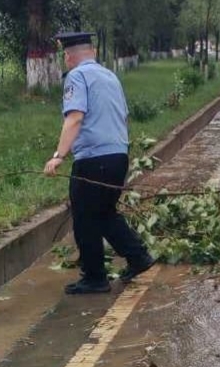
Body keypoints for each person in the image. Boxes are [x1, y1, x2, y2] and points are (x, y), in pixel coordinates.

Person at [44, 32, 154, 295]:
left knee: (84, 216)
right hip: (118, 156)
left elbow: (74, 118)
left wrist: (59, 156)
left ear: (69, 56)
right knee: (104, 213)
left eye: (65, 55)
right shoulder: (110, 76)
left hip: (94, 159)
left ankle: (94, 277)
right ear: (92, 52)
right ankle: (138, 257)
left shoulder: (77, 77)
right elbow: (123, 117)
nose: (65, 60)